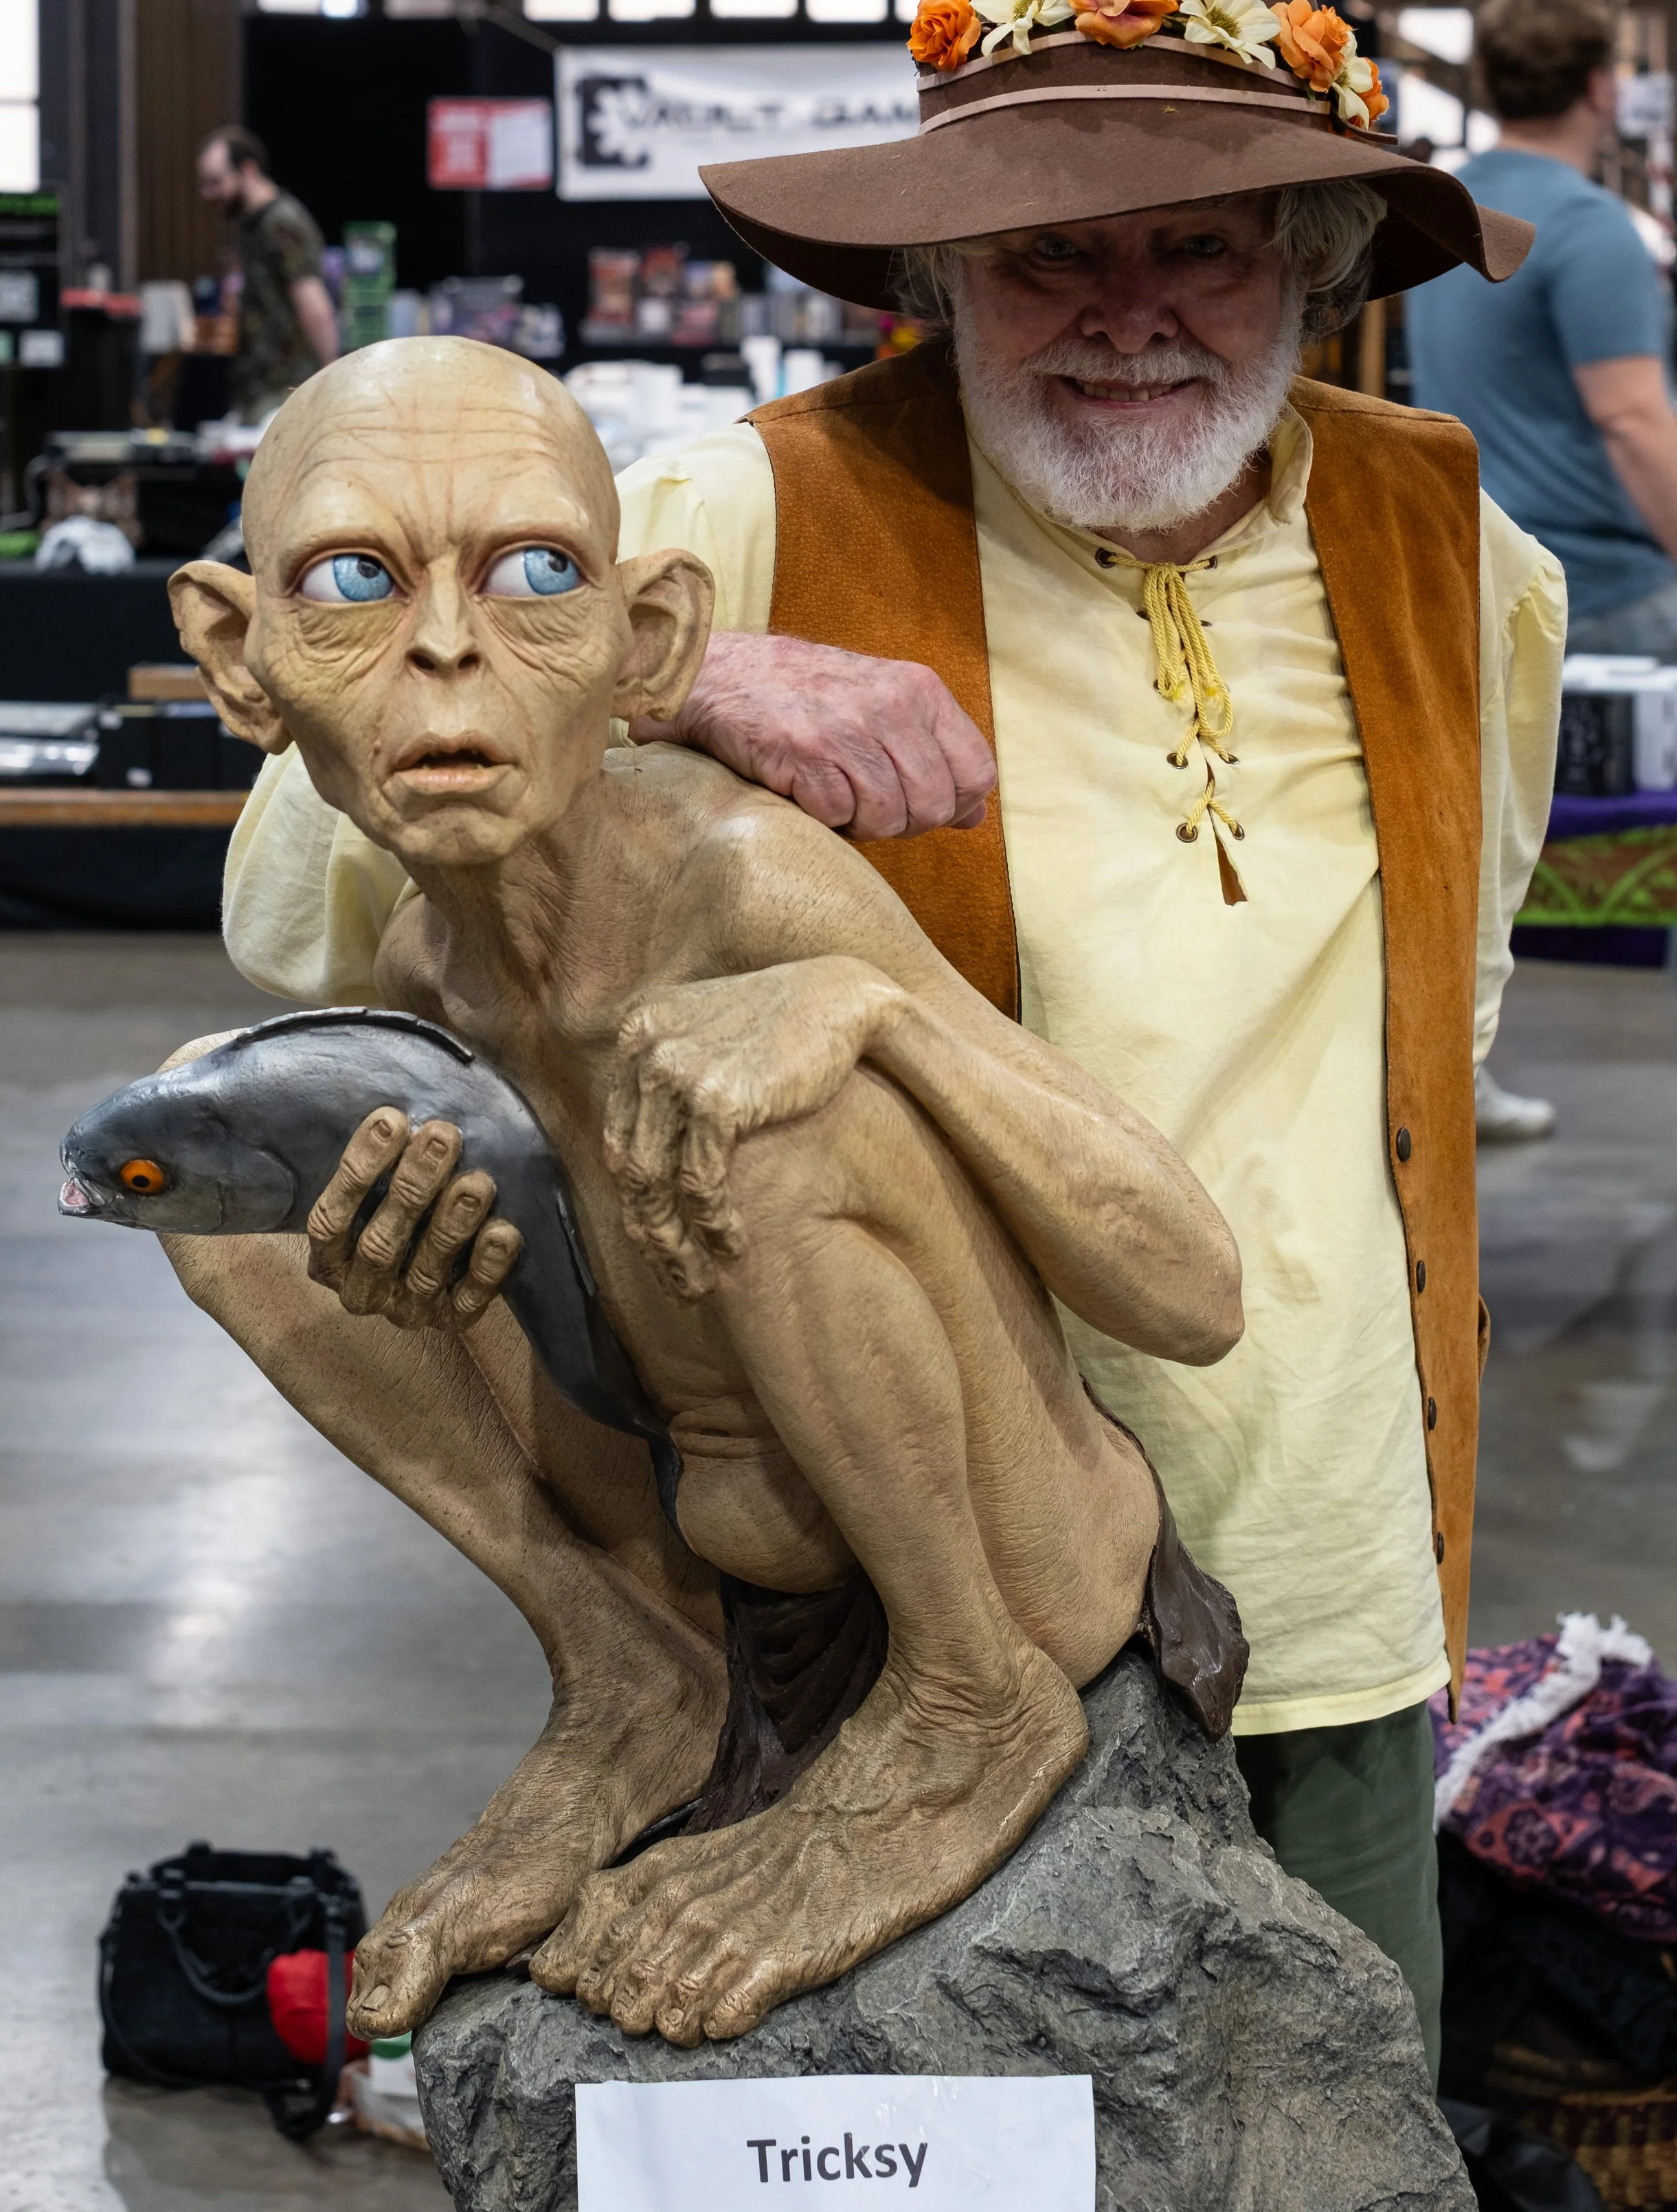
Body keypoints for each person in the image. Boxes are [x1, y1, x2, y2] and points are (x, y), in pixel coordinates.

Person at [219, 0, 1566, 2074]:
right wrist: (673, 681)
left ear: (1309, 265)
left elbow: (1459, 995)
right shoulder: (735, 509)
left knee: (1326, 2103)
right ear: (939, 268)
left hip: (1332, 1563)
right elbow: (300, 887)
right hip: (871, 1570)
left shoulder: (1450, 546)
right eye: (1048, 244)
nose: (1124, 307)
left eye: (1197, 239)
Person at [163, 336, 1244, 2042]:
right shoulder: (428, 973)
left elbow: (1193, 1287)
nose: (449, 647)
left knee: (753, 1099)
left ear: (644, 639)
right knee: (252, 1182)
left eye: (534, 577)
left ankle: (970, 1703)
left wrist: (874, 1009)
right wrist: (433, 1292)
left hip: (1002, 1566)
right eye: (356, 581)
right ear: (243, 656)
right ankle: (627, 1670)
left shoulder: (737, 879)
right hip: (725, 1577)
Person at [1406, 0, 1677, 659]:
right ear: (1598, 87)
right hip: (1601, 598)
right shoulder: (1589, 227)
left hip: (1476, 584)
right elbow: (1632, 422)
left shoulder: (1449, 211)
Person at [196, 123, 339, 421]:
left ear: (247, 170)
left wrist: (332, 379)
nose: (208, 194)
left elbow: (313, 304)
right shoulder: (250, 226)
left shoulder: (282, 222)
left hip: (285, 390)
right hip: (257, 388)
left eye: (216, 182)